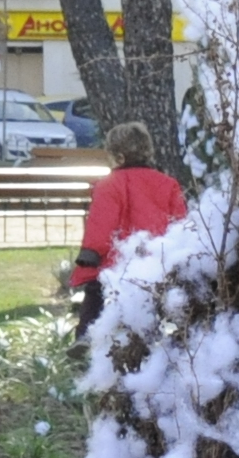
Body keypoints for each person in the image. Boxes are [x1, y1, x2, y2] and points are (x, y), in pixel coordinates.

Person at [67, 121, 187, 333]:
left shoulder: (109, 185)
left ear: (119, 157)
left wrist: (91, 253)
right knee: (155, 305)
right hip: (156, 264)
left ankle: (86, 334)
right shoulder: (168, 184)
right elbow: (180, 225)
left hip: (116, 263)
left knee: (96, 292)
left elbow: (101, 223)